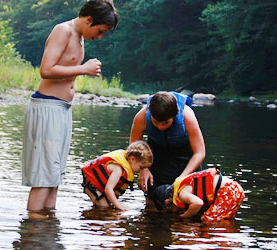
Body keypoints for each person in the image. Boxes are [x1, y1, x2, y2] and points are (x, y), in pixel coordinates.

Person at [22, 0, 119, 211]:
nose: (100, 37)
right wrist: (83, 69)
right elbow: (46, 70)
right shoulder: (63, 30)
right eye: (100, 31)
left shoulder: (80, 36)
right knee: (44, 176)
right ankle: (33, 232)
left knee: (54, 176)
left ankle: (48, 229)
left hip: (62, 109)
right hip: (47, 107)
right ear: (89, 19)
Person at [129, 91, 205, 204]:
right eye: (155, 122)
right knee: (153, 200)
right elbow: (133, 146)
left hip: (184, 153)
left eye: (166, 123)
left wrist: (181, 178)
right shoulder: (141, 117)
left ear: (175, 115)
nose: (160, 127)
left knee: (188, 198)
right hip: (157, 152)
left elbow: (200, 152)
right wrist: (143, 169)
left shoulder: (187, 116)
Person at [151, 168, 245, 223]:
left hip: (228, 192)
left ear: (167, 202)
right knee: (224, 221)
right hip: (234, 189)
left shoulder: (181, 194)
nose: (173, 212)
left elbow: (197, 203)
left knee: (208, 220)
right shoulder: (181, 186)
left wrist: (184, 216)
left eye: (170, 211)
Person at [81, 141, 153, 211]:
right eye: (141, 167)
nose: (141, 171)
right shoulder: (118, 170)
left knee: (108, 206)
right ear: (132, 159)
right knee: (104, 207)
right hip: (92, 185)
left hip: (99, 186)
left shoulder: (125, 167)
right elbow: (108, 189)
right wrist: (119, 205)